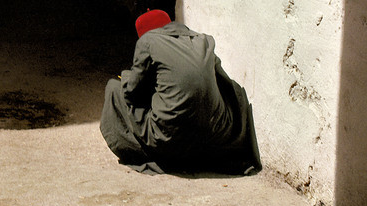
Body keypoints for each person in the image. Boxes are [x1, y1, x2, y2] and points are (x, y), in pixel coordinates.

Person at [100, 10, 261, 175]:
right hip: (214, 137)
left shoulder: (148, 41)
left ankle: (141, 152)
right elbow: (224, 83)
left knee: (114, 88)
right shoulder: (204, 41)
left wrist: (128, 77)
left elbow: (132, 92)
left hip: (169, 140)